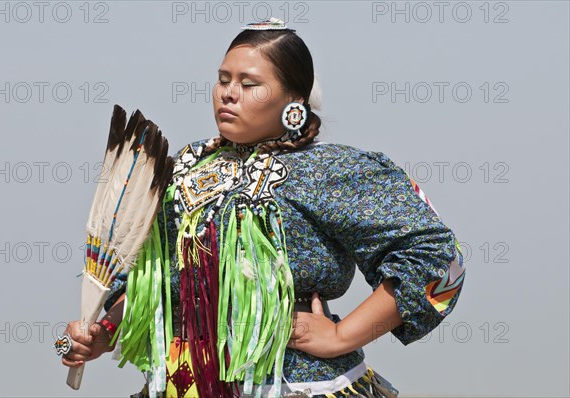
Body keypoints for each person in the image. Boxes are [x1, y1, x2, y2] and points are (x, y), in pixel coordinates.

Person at [60, 18, 466, 398]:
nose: (228, 93)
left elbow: (436, 257)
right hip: (179, 382)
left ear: (294, 101)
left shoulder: (333, 169)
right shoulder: (184, 168)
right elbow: (153, 280)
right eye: (223, 80)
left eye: (249, 83)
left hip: (299, 385)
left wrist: (342, 337)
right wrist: (104, 331)